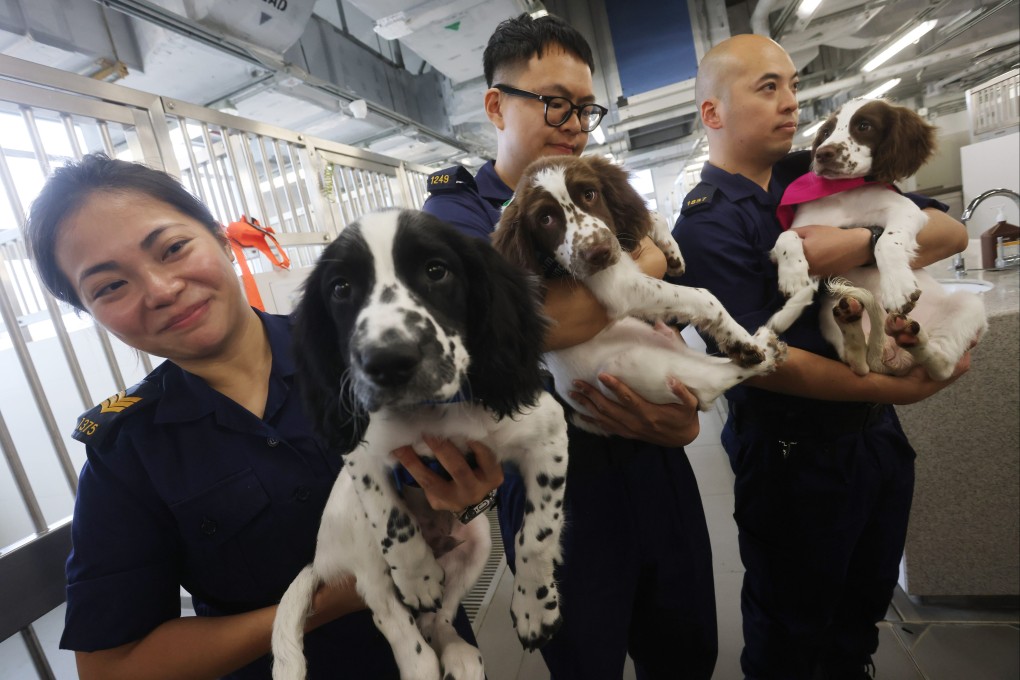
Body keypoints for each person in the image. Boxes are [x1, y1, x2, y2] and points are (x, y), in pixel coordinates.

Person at [25, 153, 503, 680]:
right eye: (109, 286)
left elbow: (475, 466)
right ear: (89, 311)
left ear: (221, 239)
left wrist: (474, 496)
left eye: (173, 248)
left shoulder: (371, 351)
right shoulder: (128, 453)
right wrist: (328, 602)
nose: (161, 290)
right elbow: (110, 666)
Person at [418, 13, 718, 680]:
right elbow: (523, 331)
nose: (574, 123)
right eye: (554, 102)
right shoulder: (460, 216)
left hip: (659, 461)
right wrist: (643, 264)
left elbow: (671, 310)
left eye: (586, 108)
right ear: (496, 104)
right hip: (558, 481)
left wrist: (685, 410)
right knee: (586, 658)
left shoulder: (597, 188)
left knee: (689, 649)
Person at [672, 34, 973, 680]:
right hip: (793, 460)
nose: (791, 103)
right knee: (792, 636)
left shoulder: (816, 170)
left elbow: (949, 229)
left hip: (874, 446)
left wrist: (858, 242)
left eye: (793, 85)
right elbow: (765, 360)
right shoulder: (706, 223)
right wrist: (894, 392)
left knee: (858, 620)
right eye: (767, 87)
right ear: (713, 113)